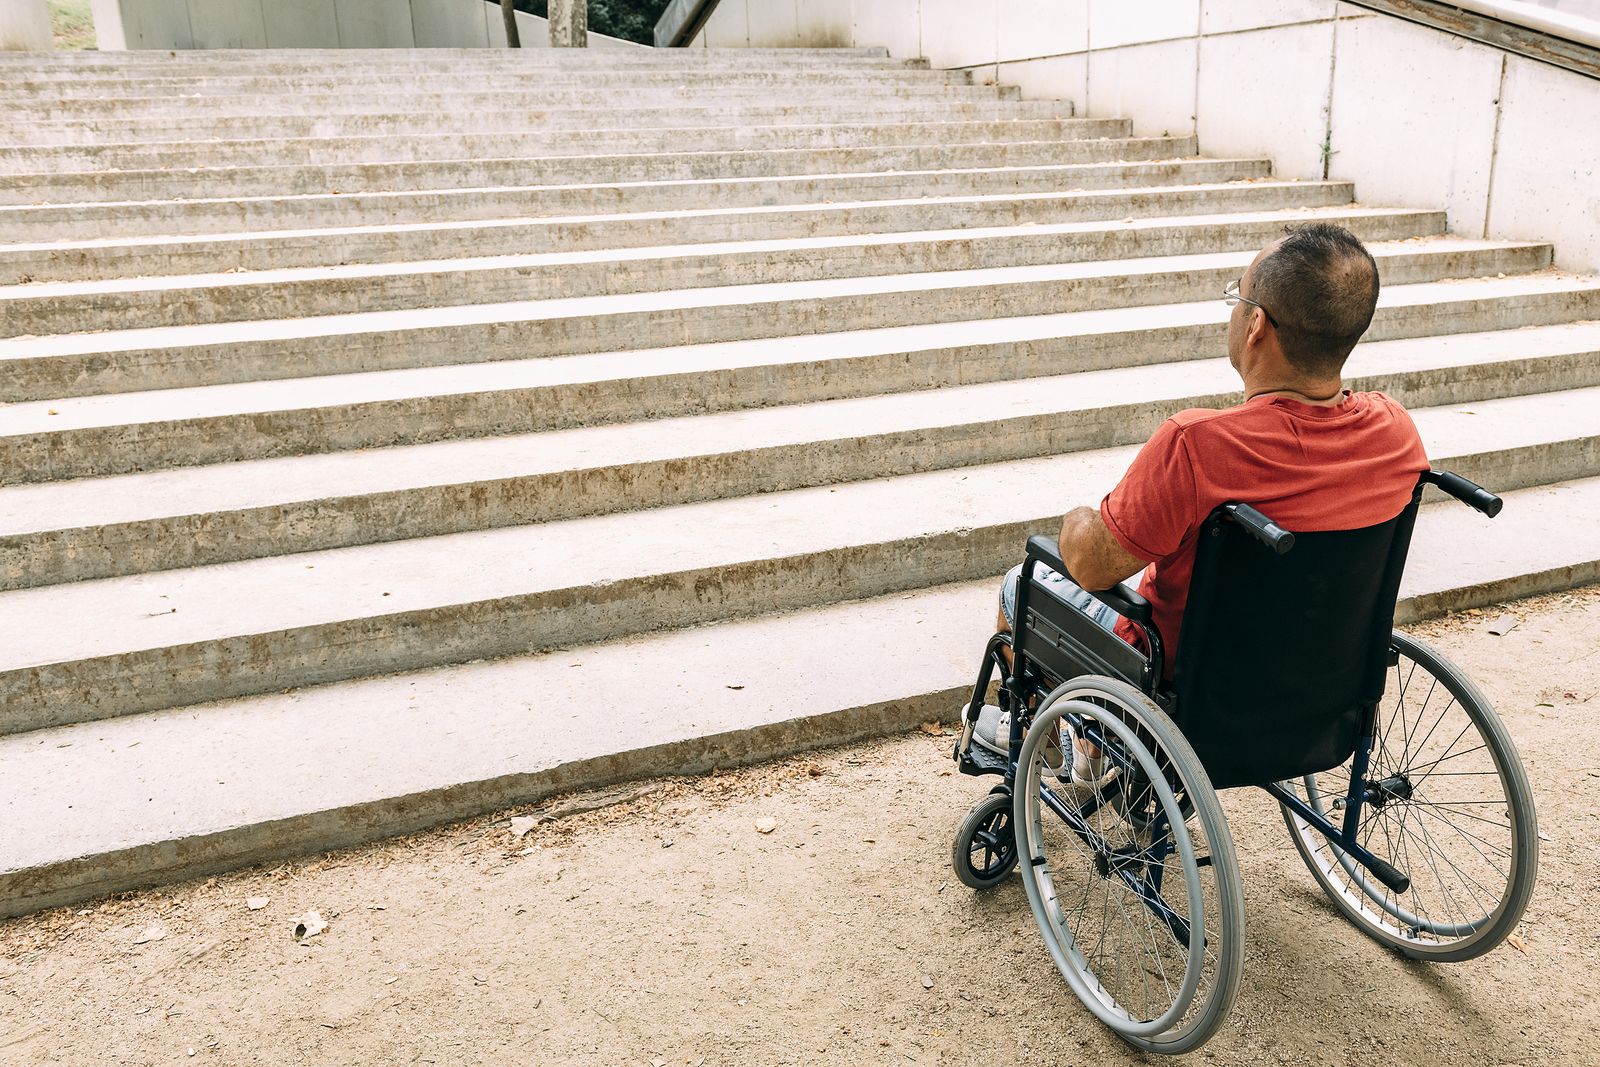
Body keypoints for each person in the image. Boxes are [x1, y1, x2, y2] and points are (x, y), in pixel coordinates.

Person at [971, 223, 1430, 788]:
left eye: (1239, 296)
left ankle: (1057, 745)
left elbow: (1092, 567)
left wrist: (1076, 523)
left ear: (1257, 324)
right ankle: (1093, 751)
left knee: (1024, 580)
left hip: (1184, 685)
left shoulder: (1198, 446)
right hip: (1321, 672)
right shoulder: (1395, 431)